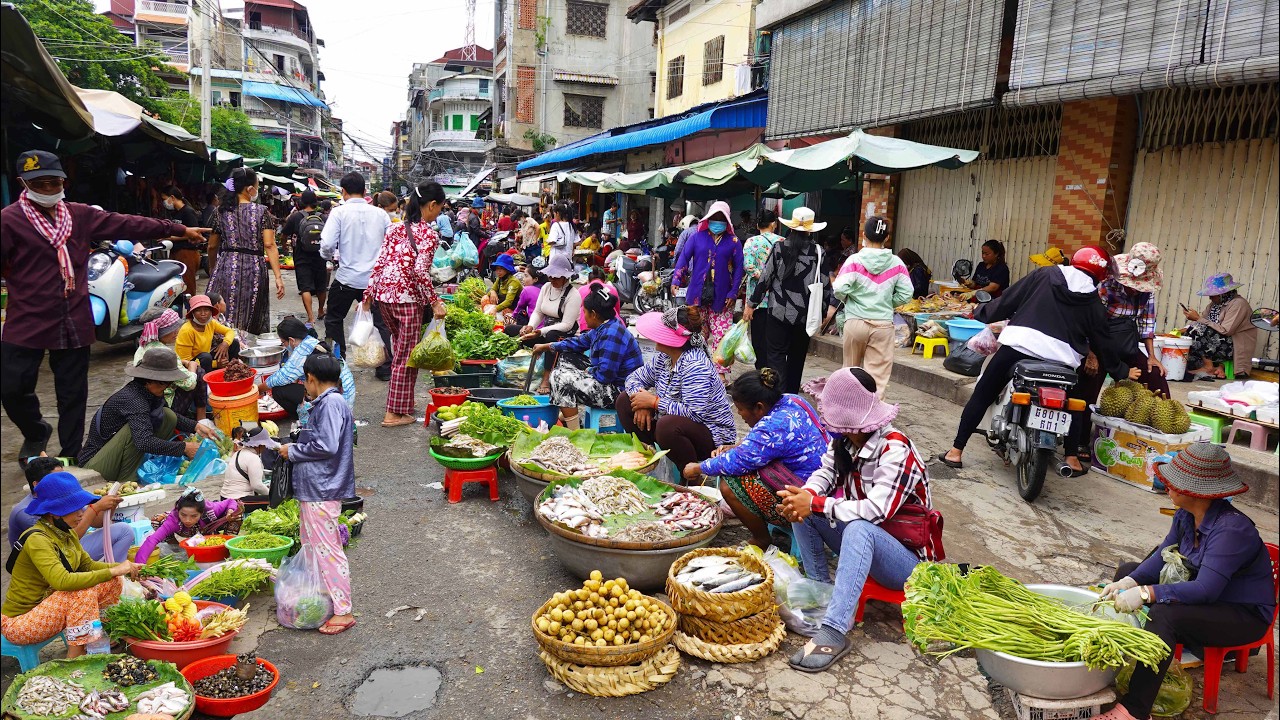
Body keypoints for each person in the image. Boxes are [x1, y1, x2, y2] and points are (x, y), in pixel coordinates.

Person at [1, 150, 208, 460]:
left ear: (64, 182)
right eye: (39, 184)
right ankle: (36, 431)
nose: (47, 189)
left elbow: (126, 223)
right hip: (28, 319)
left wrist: (176, 229)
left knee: (72, 396)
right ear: (24, 183)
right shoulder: (9, 221)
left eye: (53, 182)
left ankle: (71, 456)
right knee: (12, 388)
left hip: (73, 319)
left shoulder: (78, 215)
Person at [1096, 444, 1274, 720]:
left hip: (1242, 615)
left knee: (1164, 614)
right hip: (1211, 601)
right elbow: (1162, 557)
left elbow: (1205, 589)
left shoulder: (1232, 530)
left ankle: (1135, 710)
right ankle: (1136, 658)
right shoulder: (1185, 515)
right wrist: (1131, 581)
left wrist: (1146, 594)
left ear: (1197, 492)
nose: (1165, 484)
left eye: (1174, 482)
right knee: (1128, 571)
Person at [781, 367, 938, 673]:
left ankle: (835, 629)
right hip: (865, 541)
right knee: (806, 512)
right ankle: (822, 594)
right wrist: (804, 497)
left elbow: (876, 511)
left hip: (907, 563)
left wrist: (816, 502)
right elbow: (825, 473)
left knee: (857, 527)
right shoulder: (845, 440)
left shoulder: (895, 449)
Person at [940, 247, 1131, 469]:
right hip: (1063, 360)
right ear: (1100, 275)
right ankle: (1071, 457)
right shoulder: (1093, 301)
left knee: (984, 392)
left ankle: (956, 451)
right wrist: (1121, 371)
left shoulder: (1045, 275)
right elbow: (1103, 341)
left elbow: (1009, 300)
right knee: (1074, 403)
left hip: (1020, 346)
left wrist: (982, 312)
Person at [683, 369, 828, 550]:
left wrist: (697, 468)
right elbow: (764, 444)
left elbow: (735, 462)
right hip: (823, 484)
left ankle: (761, 539)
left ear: (759, 407)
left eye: (741, 409)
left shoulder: (773, 426)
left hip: (804, 499)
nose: (740, 415)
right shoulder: (792, 400)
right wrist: (739, 446)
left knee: (730, 485)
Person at [1, 472, 141, 658]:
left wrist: (124, 567)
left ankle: (104, 635)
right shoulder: (37, 539)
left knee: (113, 580)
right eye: (75, 508)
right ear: (53, 512)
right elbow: (62, 581)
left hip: (47, 610)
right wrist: (114, 569)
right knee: (81, 592)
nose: (82, 513)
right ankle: (75, 659)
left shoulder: (66, 533)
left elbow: (87, 565)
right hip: (21, 623)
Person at [1064, 243, 1170, 475]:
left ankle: (1158, 444)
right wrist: (1091, 354)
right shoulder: (1105, 285)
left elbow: (1147, 324)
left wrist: (1152, 357)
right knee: (1088, 390)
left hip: (1124, 341)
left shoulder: (1146, 292)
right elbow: (1090, 322)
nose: (1134, 289)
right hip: (1096, 341)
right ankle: (1078, 441)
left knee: (1156, 379)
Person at [279, 354, 357, 634]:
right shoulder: (327, 403)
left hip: (322, 488)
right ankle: (322, 597)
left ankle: (343, 610)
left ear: (310, 378)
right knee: (313, 545)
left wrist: (293, 451)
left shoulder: (331, 403)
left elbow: (327, 446)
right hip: (314, 488)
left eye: (305, 380)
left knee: (328, 550)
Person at [364, 181, 448, 428]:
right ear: (432, 205)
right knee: (406, 357)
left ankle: (402, 405)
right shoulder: (429, 234)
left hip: (384, 298)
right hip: (407, 299)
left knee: (400, 350)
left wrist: (368, 295)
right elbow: (421, 272)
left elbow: (379, 263)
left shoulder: (395, 229)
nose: (439, 213)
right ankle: (395, 412)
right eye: (440, 208)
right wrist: (435, 302)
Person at [619, 309, 737, 471]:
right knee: (625, 401)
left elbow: (694, 413)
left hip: (711, 435)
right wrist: (641, 403)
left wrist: (654, 402)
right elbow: (634, 378)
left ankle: (690, 474)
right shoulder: (664, 357)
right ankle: (646, 462)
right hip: (671, 422)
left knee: (667, 426)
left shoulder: (695, 365)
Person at [80, 348, 220, 484]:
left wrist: (196, 426)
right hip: (96, 465)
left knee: (167, 415)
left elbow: (167, 414)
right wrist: (184, 447)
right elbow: (143, 442)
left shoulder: (148, 393)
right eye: (164, 383)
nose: (167, 387)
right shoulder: (134, 400)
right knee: (136, 433)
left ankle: (138, 470)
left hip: (112, 456)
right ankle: (127, 481)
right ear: (148, 380)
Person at [746, 208, 834, 394]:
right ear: (810, 230)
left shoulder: (779, 248)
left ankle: (778, 395)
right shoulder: (818, 252)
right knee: (797, 356)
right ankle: (792, 396)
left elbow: (765, 278)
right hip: (804, 314)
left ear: (792, 227)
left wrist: (752, 304)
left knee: (775, 355)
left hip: (778, 311)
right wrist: (824, 313)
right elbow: (825, 285)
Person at [535, 286, 643, 429]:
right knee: (566, 357)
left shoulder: (612, 334)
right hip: (610, 380)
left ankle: (575, 432)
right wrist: (548, 346)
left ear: (593, 314)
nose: (582, 315)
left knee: (559, 378)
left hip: (620, 393)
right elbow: (579, 342)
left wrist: (588, 371)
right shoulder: (604, 326)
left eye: (584, 312)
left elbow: (605, 375)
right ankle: (567, 410)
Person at [833, 216, 913, 394]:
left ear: (863, 235)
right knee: (878, 378)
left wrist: (850, 299)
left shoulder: (854, 260)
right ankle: (873, 418)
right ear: (886, 237)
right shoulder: (897, 263)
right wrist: (887, 303)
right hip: (882, 325)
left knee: (849, 372)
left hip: (855, 322)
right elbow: (907, 294)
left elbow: (839, 288)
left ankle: (847, 415)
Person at [320, 172, 393, 360]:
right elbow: (391, 245)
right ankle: (384, 366)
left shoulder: (339, 212)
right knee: (380, 323)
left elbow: (327, 244)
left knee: (334, 319)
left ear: (343, 191)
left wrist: (328, 258)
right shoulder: (381, 214)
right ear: (365, 191)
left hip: (347, 278)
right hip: (374, 281)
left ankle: (338, 361)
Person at [8, 457, 133, 565]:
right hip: (51, 559)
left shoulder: (62, 497)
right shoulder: (26, 513)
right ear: (37, 484)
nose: (64, 482)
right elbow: (66, 541)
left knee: (123, 530)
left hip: (68, 547)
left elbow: (97, 522)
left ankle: (117, 579)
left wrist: (111, 504)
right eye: (57, 479)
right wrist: (95, 508)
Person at [207, 167, 285, 334]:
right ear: (250, 189)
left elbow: (212, 246)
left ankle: (225, 344)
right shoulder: (261, 212)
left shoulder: (220, 211)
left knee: (224, 308)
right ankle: (245, 346)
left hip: (227, 265)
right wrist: (278, 277)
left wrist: (213, 268)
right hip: (254, 268)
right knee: (250, 310)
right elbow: (270, 245)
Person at [673, 201, 744, 378]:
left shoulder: (733, 242)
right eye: (714, 218)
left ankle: (720, 374)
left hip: (722, 297)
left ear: (727, 221)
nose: (717, 221)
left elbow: (739, 269)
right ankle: (697, 371)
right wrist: (676, 279)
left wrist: (733, 292)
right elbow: (683, 258)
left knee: (722, 337)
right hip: (697, 295)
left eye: (721, 218)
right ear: (708, 219)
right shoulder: (696, 237)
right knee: (697, 335)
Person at [261, 317, 355, 424]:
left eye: (283, 342)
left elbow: (281, 378)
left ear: (291, 340)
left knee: (278, 390)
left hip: (338, 401)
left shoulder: (302, 351)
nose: (284, 346)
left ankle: (307, 417)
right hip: (346, 399)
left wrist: (257, 390)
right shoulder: (312, 341)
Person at [136, 487, 243, 562]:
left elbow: (231, 501)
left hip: (207, 529)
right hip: (185, 531)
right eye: (183, 514)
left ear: (201, 513)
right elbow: (152, 540)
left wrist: (230, 512)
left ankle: (226, 550)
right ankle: (176, 547)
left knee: (237, 516)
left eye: (193, 516)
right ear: (178, 511)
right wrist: (139, 564)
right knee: (157, 520)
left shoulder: (211, 509)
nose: (187, 520)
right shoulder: (174, 519)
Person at [136, 308, 206, 421]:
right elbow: (190, 384)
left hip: (148, 401)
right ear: (162, 331)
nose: (177, 331)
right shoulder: (165, 352)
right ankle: (201, 419)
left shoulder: (143, 346)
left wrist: (181, 362)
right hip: (164, 407)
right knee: (199, 372)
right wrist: (192, 367)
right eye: (172, 329)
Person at [1184, 273, 1257, 379]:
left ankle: (1208, 367)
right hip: (1217, 343)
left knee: (1197, 329)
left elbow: (1226, 330)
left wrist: (1197, 318)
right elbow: (1201, 322)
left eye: (1213, 295)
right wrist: (1182, 331)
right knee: (1186, 336)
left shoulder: (1238, 304)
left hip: (1233, 346)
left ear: (1224, 293)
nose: (1210, 298)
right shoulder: (1214, 306)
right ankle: (1215, 367)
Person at [515, 255, 582, 356]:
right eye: (551, 276)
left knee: (552, 335)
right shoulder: (546, 287)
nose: (553, 279)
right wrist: (531, 326)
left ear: (565, 277)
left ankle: (548, 370)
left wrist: (540, 331)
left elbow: (567, 325)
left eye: (557, 277)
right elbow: (538, 312)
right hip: (544, 333)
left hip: (564, 337)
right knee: (512, 330)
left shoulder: (574, 295)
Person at [280, 190, 329, 325]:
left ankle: (311, 316)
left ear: (301, 202)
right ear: (315, 202)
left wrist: (285, 246)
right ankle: (320, 310)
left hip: (301, 256)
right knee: (321, 286)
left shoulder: (296, 217)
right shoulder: (324, 217)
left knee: (305, 288)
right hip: (320, 256)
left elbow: (284, 235)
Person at [742, 211, 783, 370]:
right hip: (778, 301)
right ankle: (775, 373)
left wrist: (763, 277)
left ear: (757, 225)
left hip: (756, 301)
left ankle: (761, 373)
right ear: (774, 224)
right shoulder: (783, 241)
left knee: (759, 341)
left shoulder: (751, 242)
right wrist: (773, 278)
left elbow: (748, 267)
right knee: (776, 343)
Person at [175, 294, 240, 373]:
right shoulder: (187, 330)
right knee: (206, 357)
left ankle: (232, 373)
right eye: (198, 310)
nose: (203, 314)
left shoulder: (210, 323)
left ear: (211, 311)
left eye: (206, 310)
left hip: (207, 360)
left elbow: (229, 331)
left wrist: (225, 343)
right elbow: (185, 360)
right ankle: (205, 383)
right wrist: (216, 364)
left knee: (234, 343)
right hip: (192, 367)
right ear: (193, 313)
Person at [220, 425, 275, 513]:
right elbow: (256, 485)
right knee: (274, 501)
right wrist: (272, 494)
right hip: (237, 501)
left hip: (224, 498)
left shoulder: (238, 453)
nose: (265, 448)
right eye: (264, 445)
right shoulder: (253, 458)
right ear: (259, 445)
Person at [159, 186, 203, 295]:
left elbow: (195, 234)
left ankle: (191, 309)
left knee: (188, 287)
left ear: (172, 197)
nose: (164, 202)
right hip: (176, 252)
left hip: (187, 253)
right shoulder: (176, 213)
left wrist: (171, 238)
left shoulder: (188, 212)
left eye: (164, 199)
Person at [576, 267, 619, 331]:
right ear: (604, 281)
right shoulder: (612, 289)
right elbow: (617, 309)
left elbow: (576, 311)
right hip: (613, 324)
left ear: (588, 281)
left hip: (586, 325)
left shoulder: (581, 290)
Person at [484, 254, 521, 321]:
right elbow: (492, 289)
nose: (498, 271)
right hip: (502, 305)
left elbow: (508, 302)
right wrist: (493, 292)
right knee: (485, 298)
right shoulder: (500, 278)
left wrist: (495, 308)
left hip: (513, 309)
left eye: (501, 269)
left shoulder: (513, 282)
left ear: (507, 269)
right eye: (497, 268)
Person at [547, 203, 579, 268]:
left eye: (554, 213)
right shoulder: (572, 226)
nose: (554, 216)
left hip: (556, 259)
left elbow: (552, 241)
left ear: (558, 213)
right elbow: (577, 242)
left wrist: (547, 241)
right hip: (567, 259)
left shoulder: (555, 225)